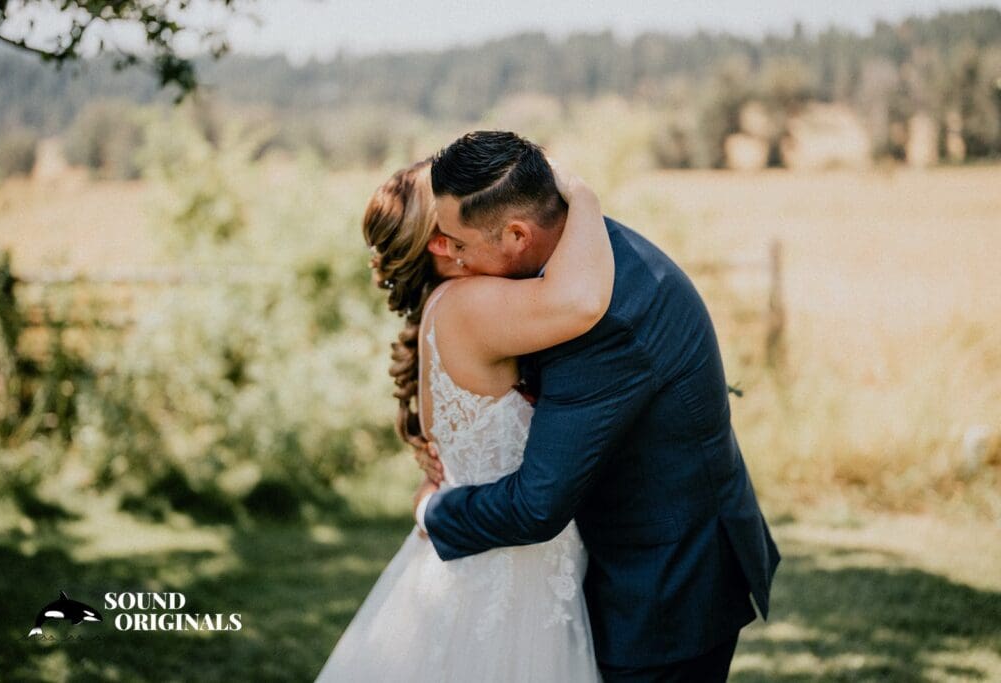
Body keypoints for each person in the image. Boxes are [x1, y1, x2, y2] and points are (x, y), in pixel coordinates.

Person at [412, 130, 781, 682]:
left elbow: (537, 506)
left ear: (516, 234)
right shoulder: (578, 255)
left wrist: (431, 510)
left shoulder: (604, 326)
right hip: (634, 556)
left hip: (662, 588)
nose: (453, 258)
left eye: (460, 244)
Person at [314, 155, 613, 682]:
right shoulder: (471, 304)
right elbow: (581, 299)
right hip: (512, 584)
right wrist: (582, 194)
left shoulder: (444, 307)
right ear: (440, 243)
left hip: (479, 560)